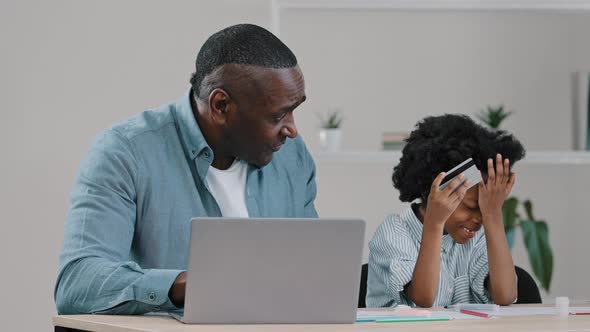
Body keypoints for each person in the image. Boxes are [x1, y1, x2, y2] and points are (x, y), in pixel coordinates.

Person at [55, 24, 317, 315]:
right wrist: (188, 286)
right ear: (221, 106)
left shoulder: (292, 155)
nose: (292, 129)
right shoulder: (125, 152)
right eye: (278, 115)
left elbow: (309, 270)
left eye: (294, 110)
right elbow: (77, 283)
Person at [367, 114, 525, 308]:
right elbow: (425, 299)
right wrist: (435, 222)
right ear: (434, 191)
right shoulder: (394, 232)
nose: (479, 219)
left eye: (485, 210)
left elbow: (505, 295)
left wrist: (493, 214)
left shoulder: (478, 236)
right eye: (471, 207)